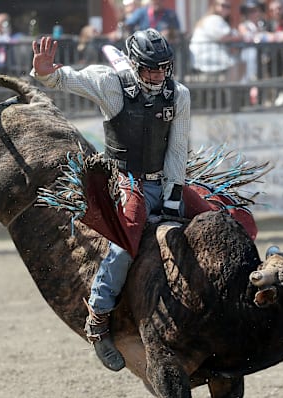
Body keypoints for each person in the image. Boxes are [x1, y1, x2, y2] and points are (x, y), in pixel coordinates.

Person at [30, 29, 190, 372]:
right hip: (125, 180)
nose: (159, 75)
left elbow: (177, 150)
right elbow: (65, 79)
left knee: (220, 214)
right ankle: (99, 319)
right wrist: (45, 72)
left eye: (164, 68)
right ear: (134, 65)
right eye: (151, 69)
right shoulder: (110, 83)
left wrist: (174, 196)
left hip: (164, 178)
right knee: (127, 239)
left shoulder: (179, 95)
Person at [189, 0, 244, 80]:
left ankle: (235, 90)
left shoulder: (212, 19)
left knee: (239, 61)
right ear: (215, 6)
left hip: (205, 60)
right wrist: (242, 37)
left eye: (228, 7)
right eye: (222, 5)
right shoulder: (214, 19)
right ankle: (235, 91)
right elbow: (224, 38)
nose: (225, 9)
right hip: (207, 61)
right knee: (242, 61)